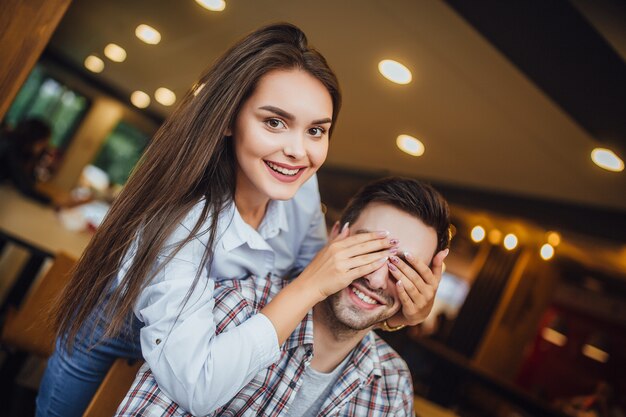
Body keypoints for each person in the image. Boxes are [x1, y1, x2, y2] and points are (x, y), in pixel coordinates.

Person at [38, 24, 443, 417]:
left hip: (222, 343)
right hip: (116, 333)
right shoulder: (181, 222)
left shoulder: (300, 187)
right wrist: (311, 284)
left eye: (316, 130)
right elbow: (198, 384)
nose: (298, 151)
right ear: (229, 118)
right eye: (274, 122)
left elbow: (321, 280)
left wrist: (396, 316)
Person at [115, 177, 451, 417]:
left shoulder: (391, 383)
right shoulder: (235, 308)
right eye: (367, 250)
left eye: (403, 268)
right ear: (336, 235)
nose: (377, 278)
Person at [0, 118, 52, 204]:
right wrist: (51, 201)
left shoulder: (19, 148)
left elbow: (29, 178)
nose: (44, 146)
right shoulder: (11, 147)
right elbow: (23, 185)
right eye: (43, 142)